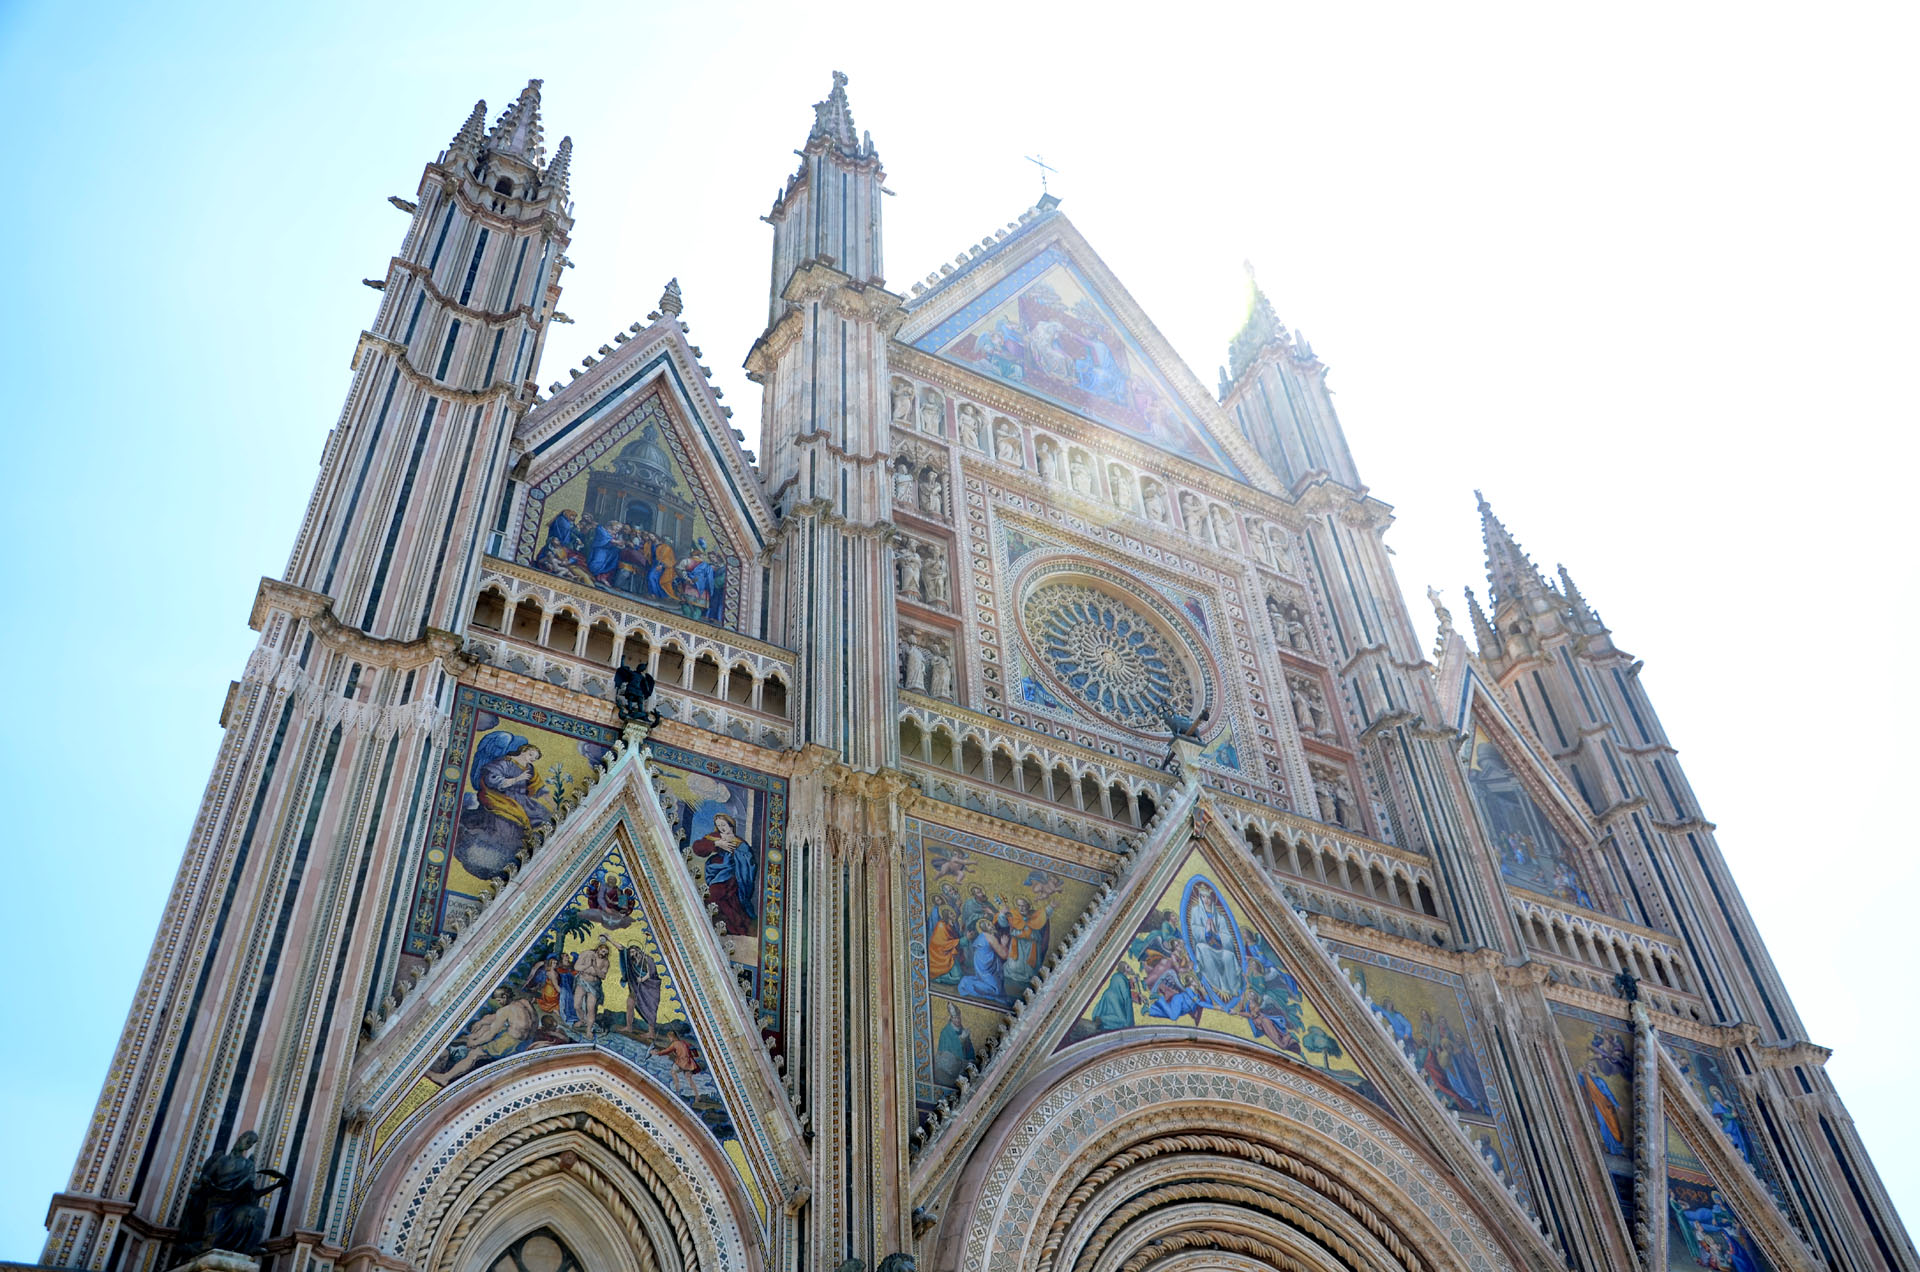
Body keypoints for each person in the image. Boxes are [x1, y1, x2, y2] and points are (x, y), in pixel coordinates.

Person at [174, 1131, 288, 1258]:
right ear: (240, 1138)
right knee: (214, 1229)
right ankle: (198, 1247)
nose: (248, 1144)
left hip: (235, 1204)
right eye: (247, 1140)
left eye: (251, 1143)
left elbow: (252, 1194)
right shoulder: (221, 1160)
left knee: (258, 1212)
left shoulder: (248, 1165)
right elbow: (198, 1187)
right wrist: (203, 1185)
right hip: (217, 1203)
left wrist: (276, 1185)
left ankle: (249, 1247)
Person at [456, 732, 553, 880]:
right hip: (501, 798)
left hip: (523, 801)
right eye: (531, 755)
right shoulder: (504, 762)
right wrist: (516, 779)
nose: (532, 759)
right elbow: (490, 778)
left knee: (545, 818)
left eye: (535, 758)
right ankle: (496, 860)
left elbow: (539, 788)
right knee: (508, 823)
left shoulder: (530, 769)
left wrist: (554, 807)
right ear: (524, 750)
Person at [434, 987, 542, 1083]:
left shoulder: (504, 1010)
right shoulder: (524, 1003)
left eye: (499, 1000)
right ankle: (469, 1038)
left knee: (474, 1053)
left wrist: (475, 1043)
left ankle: (446, 1077)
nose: (499, 1003)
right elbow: (532, 1021)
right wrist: (482, 1022)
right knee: (489, 1026)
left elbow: (491, 1034)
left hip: (508, 1044)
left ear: (505, 997)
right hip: (526, 1042)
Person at [690, 813, 757, 934]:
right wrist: (716, 844)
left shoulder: (740, 842)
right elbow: (697, 847)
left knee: (729, 899)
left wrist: (736, 854)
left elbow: (748, 859)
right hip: (717, 871)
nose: (721, 827)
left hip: (734, 874)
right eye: (718, 825)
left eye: (723, 824)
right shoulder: (715, 837)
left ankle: (735, 925)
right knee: (716, 895)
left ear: (730, 824)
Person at [957, 914, 1014, 1004]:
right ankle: (966, 983)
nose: (991, 924)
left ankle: (969, 982)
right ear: (984, 928)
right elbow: (1004, 955)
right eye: (988, 924)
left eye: (990, 923)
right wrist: (1004, 944)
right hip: (986, 967)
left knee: (991, 985)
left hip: (983, 965)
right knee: (996, 990)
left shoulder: (982, 936)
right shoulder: (990, 937)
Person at [1577, 1058, 1628, 1156]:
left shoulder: (1600, 1081)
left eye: (1591, 1067)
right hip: (1597, 1107)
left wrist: (1617, 1106)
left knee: (1614, 1126)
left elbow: (1608, 1094)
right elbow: (1581, 1084)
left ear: (1594, 1069)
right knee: (1603, 1126)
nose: (1589, 1069)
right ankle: (1609, 1147)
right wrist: (1579, 1074)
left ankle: (1618, 1148)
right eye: (1587, 1067)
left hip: (1606, 1106)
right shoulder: (1586, 1080)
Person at [651, 1021, 704, 1097]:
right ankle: (697, 1095)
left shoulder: (674, 1044)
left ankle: (677, 1089)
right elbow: (693, 1048)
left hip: (681, 1062)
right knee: (689, 1078)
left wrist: (657, 1053)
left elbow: (667, 1051)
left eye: (669, 1037)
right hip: (689, 1063)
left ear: (672, 1037)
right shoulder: (684, 1042)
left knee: (673, 1072)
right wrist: (695, 1055)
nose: (669, 1039)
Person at [572, 937, 613, 1035]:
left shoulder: (605, 962)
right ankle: (582, 1020)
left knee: (591, 1008)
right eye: (603, 951)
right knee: (577, 1005)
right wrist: (587, 965)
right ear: (598, 949)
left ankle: (589, 1030)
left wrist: (594, 966)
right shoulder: (587, 954)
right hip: (582, 981)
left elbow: (603, 976)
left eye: (606, 953)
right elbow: (576, 967)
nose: (604, 954)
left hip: (594, 986)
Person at [619, 943, 662, 1034]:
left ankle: (651, 1032)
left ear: (638, 951)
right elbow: (621, 949)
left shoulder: (647, 959)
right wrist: (610, 939)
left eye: (634, 951)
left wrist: (642, 979)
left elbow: (651, 972)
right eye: (630, 952)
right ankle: (629, 1026)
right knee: (630, 1004)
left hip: (649, 989)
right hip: (636, 988)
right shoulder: (632, 962)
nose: (632, 954)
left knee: (649, 1008)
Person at [932, 1001, 976, 1086]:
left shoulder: (963, 1031)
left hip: (961, 1065)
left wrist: (966, 1042)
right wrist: (960, 1040)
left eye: (959, 1018)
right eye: (955, 1018)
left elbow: (969, 1050)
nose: (958, 1020)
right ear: (951, 1018)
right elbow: (945, 1050)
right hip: (948, 1064)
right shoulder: (946, 1032)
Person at [927, 904, 963, 985]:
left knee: (959, 976)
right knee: (958, 978)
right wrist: (961, 941)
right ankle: (938, 978)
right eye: (951, 913)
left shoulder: (953, 924)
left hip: (950, 953)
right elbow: (941, 944)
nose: (953, 914)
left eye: (953, 912)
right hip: (940, 956)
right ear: (946, 915)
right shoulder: (941, 925)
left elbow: (955, 938)